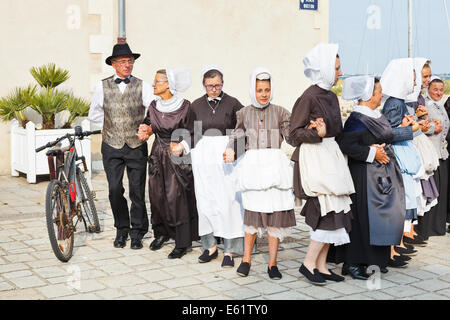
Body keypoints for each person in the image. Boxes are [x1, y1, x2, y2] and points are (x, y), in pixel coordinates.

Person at [290, 43, 354, 285]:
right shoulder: (308, 97)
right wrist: (317, 134)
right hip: (315, 159)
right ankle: (308, 263)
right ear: (325, 69)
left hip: (331, 156)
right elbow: (293, 133)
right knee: (326, 211)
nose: (340, 73)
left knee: (336, 208)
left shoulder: (330, 95)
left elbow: (335, 130)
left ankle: (321, 266)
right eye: (336, 68)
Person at [223, 67, 296, 280]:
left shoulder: (281, 111)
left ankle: (272, 264)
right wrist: (230, 150)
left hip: (275, 167)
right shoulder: (243, 113)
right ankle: (246, 259)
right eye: (259, 89)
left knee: (274, 217)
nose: (263, 93)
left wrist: (302, 131)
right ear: (252, 90)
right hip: (254, 167)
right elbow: (237, 137)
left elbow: (291, 135)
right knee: (252, 217)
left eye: (266, 89)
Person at [333, 76, 405, 278]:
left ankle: (375, 260)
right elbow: (345, 145)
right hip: (363, 176)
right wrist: (372, 153)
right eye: (378, 91)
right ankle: (353, 263)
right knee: (363, 219)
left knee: (382, 217)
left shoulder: (374, 114)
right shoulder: (357, 119)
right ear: (368, 95)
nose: (381, 95)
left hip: (380, 175)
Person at [88, 43, 154, 250]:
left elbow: (152, 110)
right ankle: (121, 229)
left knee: (137, 190)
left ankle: (137, 232)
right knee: (115, 189)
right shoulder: (102, 86)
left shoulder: (142, 85)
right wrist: (109, 128)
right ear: (114, 64)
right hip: (111, 144)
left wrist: (146, 127)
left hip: (136, 145)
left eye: (130, 61)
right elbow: (95, 114)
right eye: (123, 62)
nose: (128, 65)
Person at [137, 68, 199, 259]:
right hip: (157, 154)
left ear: (169, 85)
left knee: (176, 198)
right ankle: (161, 233)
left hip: (177, 157)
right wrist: (144, 131)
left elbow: (195, 132)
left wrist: (181, 145)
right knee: (157, 196)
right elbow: (148, 126)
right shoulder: (154, 106)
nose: (153, 85)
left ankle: (182, 242)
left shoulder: (185, 106)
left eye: (157, 81)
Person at [190, 65, 245, 267]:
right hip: (203, 159)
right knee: (205, 201)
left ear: (223, 84)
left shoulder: (233, 103)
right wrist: (183, 147)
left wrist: (234, 150)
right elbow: (192, 132)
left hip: (226, 157)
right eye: (210, 86)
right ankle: (210, 246)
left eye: (218, 85)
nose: (214, 89)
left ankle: (230, 251)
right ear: (204, 85)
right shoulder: (196, 105)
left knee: (228, 201)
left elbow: (241, 130)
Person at [380, 58, 423, 268]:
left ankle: (393, 249)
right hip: (396, 157)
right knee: (399, 203)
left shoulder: (394, 102)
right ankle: (390, 251)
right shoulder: (395, 103)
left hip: (400, 155)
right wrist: (410, 129)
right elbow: (387, 133)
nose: (415, 83)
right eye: (413, 77)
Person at [405, 59, 440, 245]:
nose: (427, 80)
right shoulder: (410, 96)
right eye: (424, 76)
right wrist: (419, 119)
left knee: (419, 190)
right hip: (412, 145)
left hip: (418, 142)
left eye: (428, 76)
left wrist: (425, 122)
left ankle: (412, 231)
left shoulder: (419, 96)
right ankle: (408, 232)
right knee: (415, 189)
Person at [423, 76, 450, 236]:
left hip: (442, 154)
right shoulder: (425, 105)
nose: (438, 92)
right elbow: (421, 127)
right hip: (430, 154)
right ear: (428, 89)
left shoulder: (440, 106)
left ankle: (438, 226)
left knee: (441, 191)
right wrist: (434, 127)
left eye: (441, 90)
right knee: (431, 192)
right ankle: (428, 228)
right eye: (435, 89)